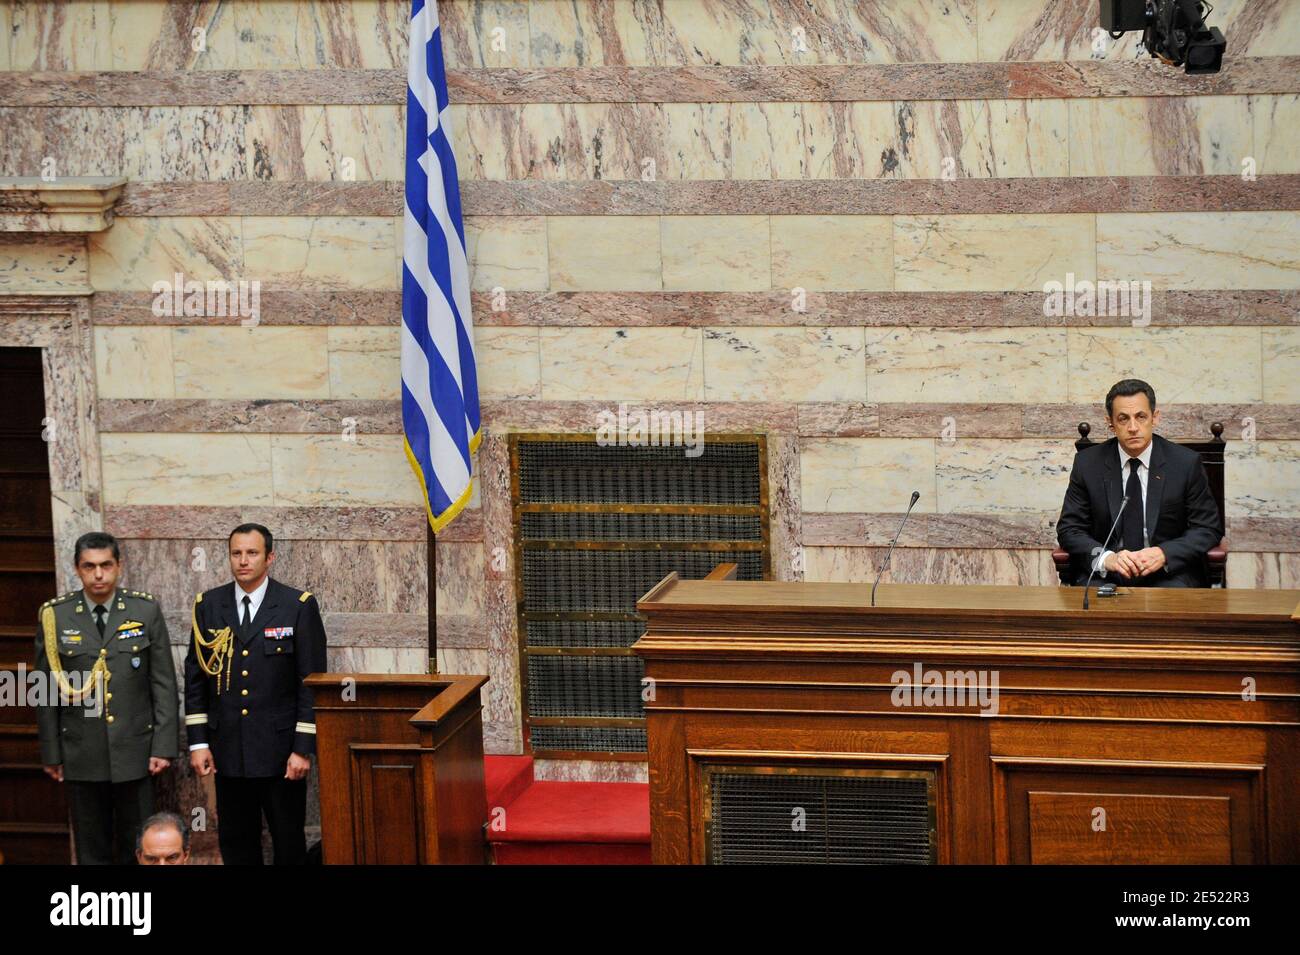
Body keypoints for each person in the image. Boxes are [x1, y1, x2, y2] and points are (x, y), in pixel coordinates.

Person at [184, 523, 327, 864]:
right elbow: (195, 677)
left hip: (281, 754)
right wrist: (198, 741)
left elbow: (312, 682)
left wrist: (302, 749)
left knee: (288, 841)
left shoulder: (297, 605)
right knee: (236, 842)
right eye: (236, 553)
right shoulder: (208, 606)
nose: (243, 561)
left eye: (252, 553)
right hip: (228, 749)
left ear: (269, 557)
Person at [33, 531, 178, 864]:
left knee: (139, 846)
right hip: (81, 753)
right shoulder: (56, 615)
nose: (98, 574)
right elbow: (45, 689)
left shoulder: (144, 610)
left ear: (119, 566)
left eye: (105, 565)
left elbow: (163, 683)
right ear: (77, 568)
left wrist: (163, 746)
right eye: (89, 567)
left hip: (136, 752)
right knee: (90, 848)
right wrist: (52, 753)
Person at [1057, 378, 1222, 588]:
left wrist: (1164, 553)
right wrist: (1107, 558)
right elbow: (1070, 529)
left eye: (1141, 417)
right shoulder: (1088, 464)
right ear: (1110, 423)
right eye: (1123, 419)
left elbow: (1207, 528)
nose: (1133, 427)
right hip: (1107, 575)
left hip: (1168, 574)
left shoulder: (1184, 463)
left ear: (1155, 417)